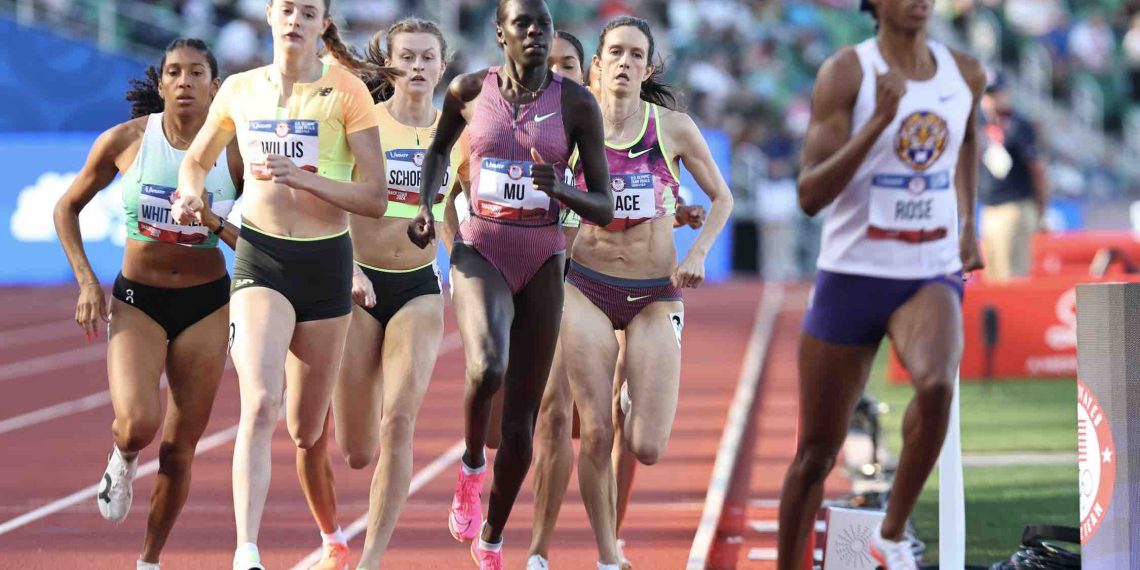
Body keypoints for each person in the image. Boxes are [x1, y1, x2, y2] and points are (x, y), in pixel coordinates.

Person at [171, 2, 388, 568]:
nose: (295, 18)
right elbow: (195, 160)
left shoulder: (348, 93)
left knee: (306, 430)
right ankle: (247, 551)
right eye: (286, 8)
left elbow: (375, 197)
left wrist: (307, 182)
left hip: (325, 264)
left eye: (308, 11)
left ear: (323, 24)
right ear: (269, 17)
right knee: (260, 402)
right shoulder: (240, 89)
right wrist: (192, 191)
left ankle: (331, 536)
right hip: (260, 257)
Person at [777, 0, 985, 568]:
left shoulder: (964, 72)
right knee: (817, 453)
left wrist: (969, 224)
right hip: (852, 272)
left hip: (929, 268)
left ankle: (889, 537)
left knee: (937, 384)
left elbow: (968, 138)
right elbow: (811, 195)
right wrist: (877, 123)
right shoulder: (848, 72)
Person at [405, 0, 614, 566]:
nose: (535, 34)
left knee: (522, 417)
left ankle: (493, 535)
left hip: (543, 255)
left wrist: (563, 189)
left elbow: (604, 204)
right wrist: (427, 207)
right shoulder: (470, 91)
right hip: (482, 245)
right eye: (523, 24)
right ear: (501, 33)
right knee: (486, 366)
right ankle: (472, 464)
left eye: (543, 25)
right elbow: (437, 154)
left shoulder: (576, 104)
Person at [527, 16, 733, 569]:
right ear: (595, 65)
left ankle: (631, 389)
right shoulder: (567, 129)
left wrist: (696, 254)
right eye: (614, 52)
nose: (623, 62)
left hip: (655, 292)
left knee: (646, 445)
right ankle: (606, 557)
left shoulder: (672, 128)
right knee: (591, 431)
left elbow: (722, 200)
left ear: (647, 68)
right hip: (587, 288)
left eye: (635, 55)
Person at [53, 39, 241, 570]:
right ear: (160, 85)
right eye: (174, 72)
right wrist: (87, 282)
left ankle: (149, 561)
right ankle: (124, 455)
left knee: (180, 448)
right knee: (138, 422)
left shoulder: (235, 154)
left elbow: (261, 243)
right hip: (138, 298)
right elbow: (66, 208)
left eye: (196, 72)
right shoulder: (128, 141)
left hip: (207, 304)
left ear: (215, 85)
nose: (184, 81)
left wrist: (213, 221)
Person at [294, 18, 469, 570]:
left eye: (427, 58)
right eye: (408, 56)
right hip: (358, 284)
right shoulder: (364, 125)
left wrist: (460, 258)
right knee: (356, 449)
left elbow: (454, 212)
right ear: (390, 65)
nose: (418, 66)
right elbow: (331, 202)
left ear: (443, 67)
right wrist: (345, 267)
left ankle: (370, 559)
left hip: (418, 288)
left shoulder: (458, 135)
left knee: (401, 420)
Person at [978, 72, 1049, 282]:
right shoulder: (983, 127)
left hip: (1014, 206)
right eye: (986, 96)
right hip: (990, 208)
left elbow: (1037, 168)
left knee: (1012, 277)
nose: (990, 101)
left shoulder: (1018, 125)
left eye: (994, 94)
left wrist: (1040, 208)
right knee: (991, 277)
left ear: (1005, 95)